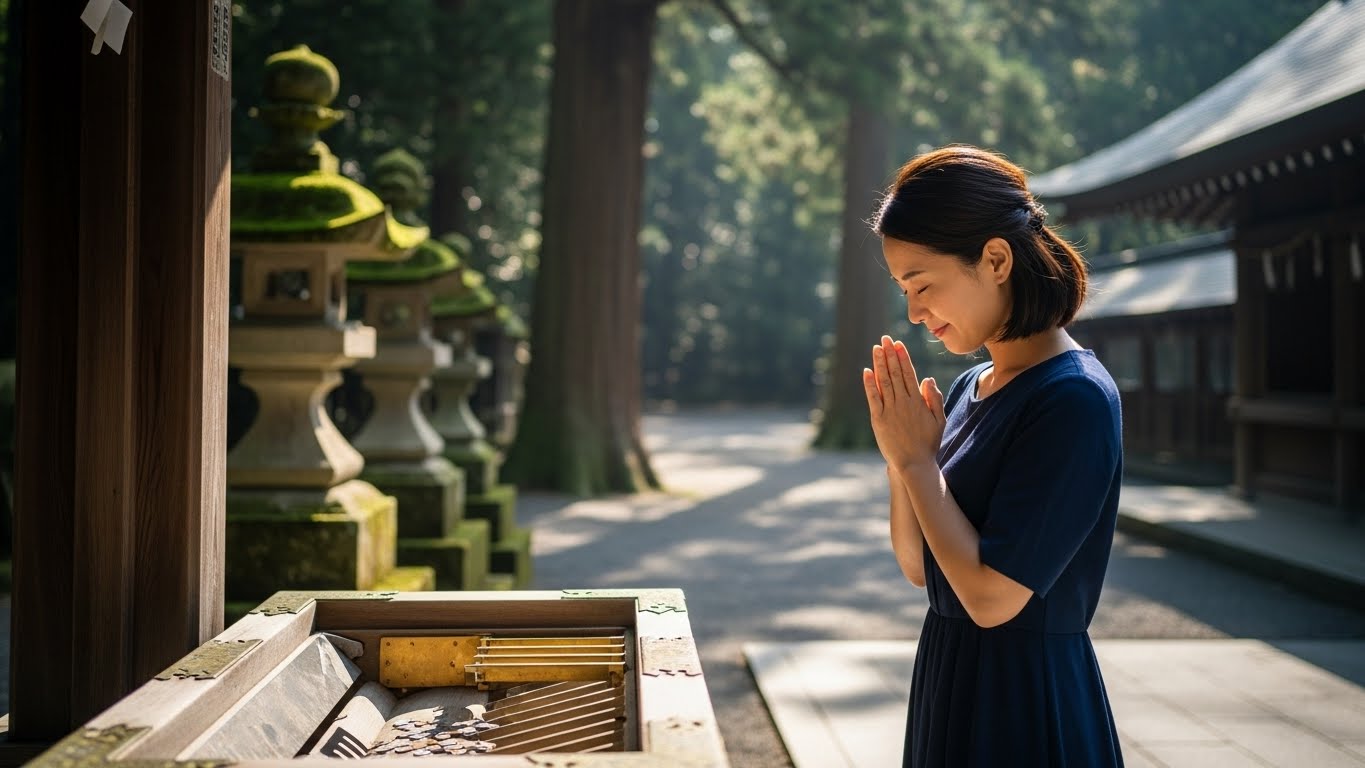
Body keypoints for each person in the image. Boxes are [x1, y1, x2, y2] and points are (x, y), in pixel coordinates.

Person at [862, 145, 1125, 767]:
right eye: (904, 290)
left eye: (923, 285)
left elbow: (992, 599)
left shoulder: (1074, 398)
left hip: (1025, 697)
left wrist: (920, 464)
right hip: (949, 673)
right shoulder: (969, 386)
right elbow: (920, 567)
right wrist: (903, 461)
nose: (914, 312)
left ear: (996, 260)